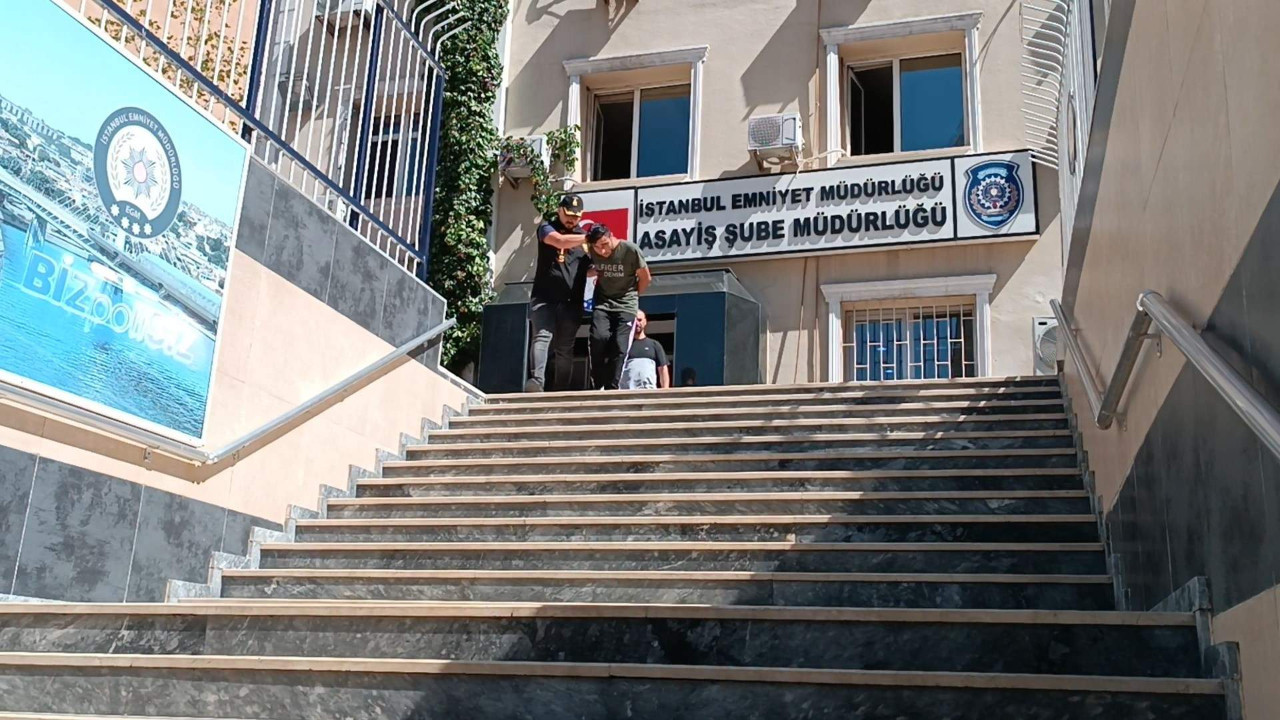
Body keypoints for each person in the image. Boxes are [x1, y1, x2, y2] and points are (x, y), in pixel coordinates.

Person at [526, 194, 591, 392]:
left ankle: (561, 389)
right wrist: (588, 238)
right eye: (569, 214)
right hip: (545, 297)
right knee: (542, 337)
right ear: (559, 210)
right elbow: (560, 241)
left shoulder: (584, 238)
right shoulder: (547, 227)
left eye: (576, 216)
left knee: (565, 347)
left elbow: (589, 268)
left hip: (572, 301)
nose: (572, 219)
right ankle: (537, 381)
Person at [585, 224, 651, 390]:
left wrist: (633, 297)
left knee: (620, 346)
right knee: (598, 337)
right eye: (597, 247)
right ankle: (598, 383)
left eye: (605, 244)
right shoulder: (591, 251)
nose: (602, 251)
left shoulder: (630, 250)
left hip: (626, 304)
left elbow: (645, 278)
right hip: (603, 303)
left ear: (611, 236)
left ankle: (612, 386)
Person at [621, 310, 669, 389]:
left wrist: (665, 391)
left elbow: (663, 369)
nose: (637, 323)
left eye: (639, 320)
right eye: (634, 321)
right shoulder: (624, 345)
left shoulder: (654, 345)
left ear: (645, 321)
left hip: (648, 392)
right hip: (628, 392)